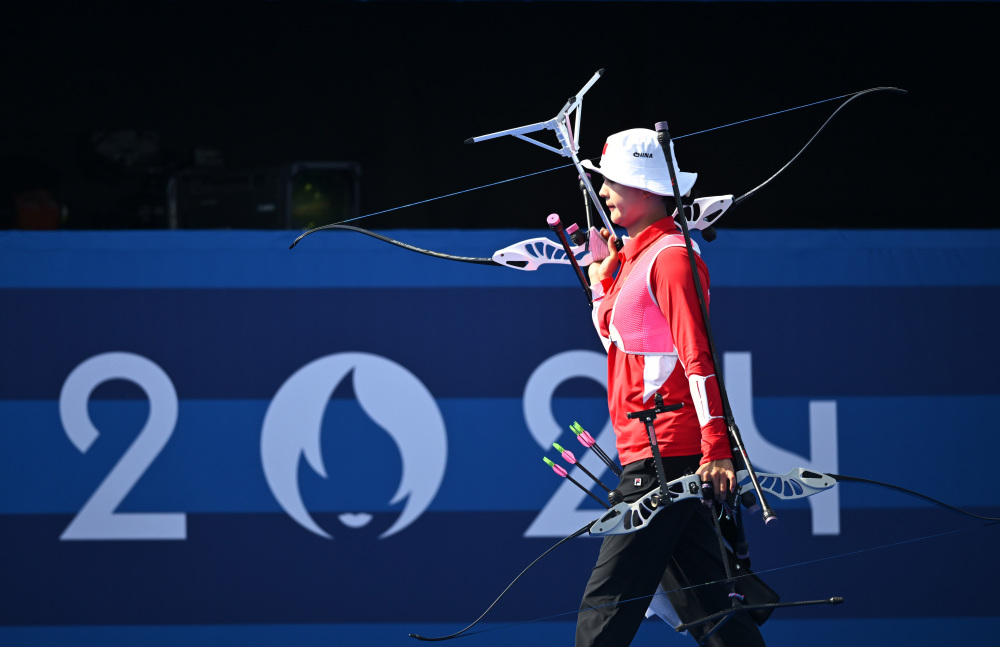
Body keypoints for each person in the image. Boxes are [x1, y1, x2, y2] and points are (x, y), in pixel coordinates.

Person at [576, 129, 766, 646]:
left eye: (612, 181)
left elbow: (697, 356)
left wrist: (717, 448)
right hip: (656, 452)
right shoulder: (635, 257)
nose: (604, 192)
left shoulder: (671, 257)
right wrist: (599, 281)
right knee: (715, 615)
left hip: (666, 456)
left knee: (604, 609)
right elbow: (619, 335)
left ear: (643, 186)